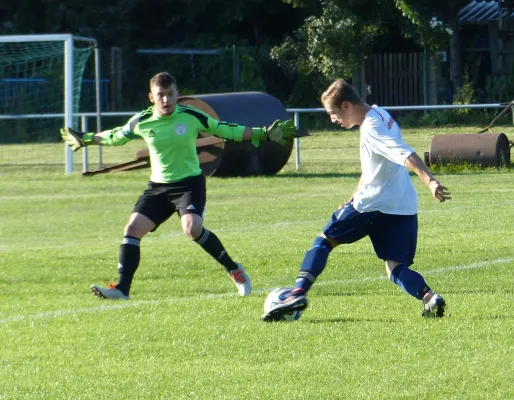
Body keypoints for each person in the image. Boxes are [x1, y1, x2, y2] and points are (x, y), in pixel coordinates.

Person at [61, 71, 296, 300]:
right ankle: (122, 289)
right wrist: (87, 138)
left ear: (177, 94)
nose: (166, 99)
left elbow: (225, 129)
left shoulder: (191, 115)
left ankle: (235, 270)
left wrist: (263, 133)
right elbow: (116, 136)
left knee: (192, 229)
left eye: (170, 93)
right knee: (132, 230)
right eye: (160, 94)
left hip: (189, 184)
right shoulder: (142, 121)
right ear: (151, 97)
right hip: (158, 188)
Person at [262, 78, 451, 321]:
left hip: (372, 204)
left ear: (347, 106)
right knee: (395, 267)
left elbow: (405, 153)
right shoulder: (380, 113)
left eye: (333, 113)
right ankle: (429, 297)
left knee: (325, 240)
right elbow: (374, 165)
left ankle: (296, 293)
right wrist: (351, 196)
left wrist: (431, 181)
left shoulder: (373, 128)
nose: (333, 119)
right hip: (402, 205)